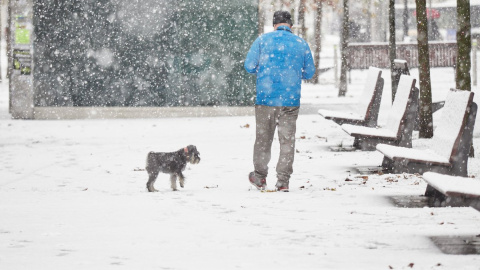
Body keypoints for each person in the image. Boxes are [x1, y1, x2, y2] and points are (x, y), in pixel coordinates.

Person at [244, 11, 315, 192]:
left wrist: (265, 70)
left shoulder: (262, 41)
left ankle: (260, 177)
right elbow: (309, 73)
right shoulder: (301, 43)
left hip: (266, 99)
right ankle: (283, 181)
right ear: (290, 25)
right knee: (287, 141)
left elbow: (249, 66)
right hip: (290, 101)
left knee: (263, 139)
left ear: (274, 24)